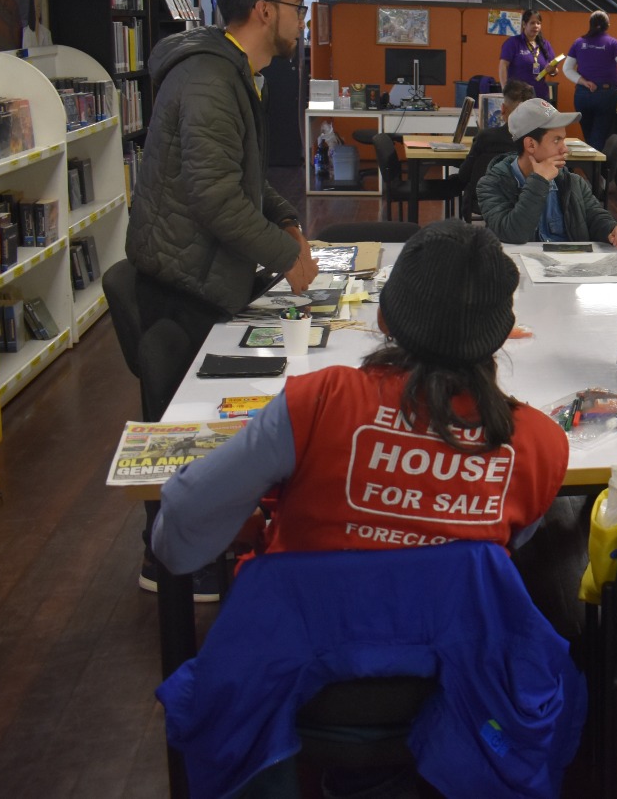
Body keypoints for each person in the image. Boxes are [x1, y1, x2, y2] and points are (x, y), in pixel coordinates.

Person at [151, 221, 572, 796]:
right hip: (452, 683)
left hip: (298, 671)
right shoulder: (540, 444)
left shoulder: (320, 401)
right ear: (502, 335)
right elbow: (497, 573)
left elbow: (180, 535)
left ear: (382, 319)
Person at [126, 0, 317, 354]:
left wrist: (285, 219)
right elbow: (217, 198)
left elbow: (237, 174)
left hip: (204, 276)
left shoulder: (232, 72)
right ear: (264, 11)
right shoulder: (210, 82)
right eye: (297, 7)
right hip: (188, 293)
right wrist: (287, 256)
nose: (303, 20)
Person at [474, 97, 617, 247]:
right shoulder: (492, 185)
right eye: (556, 140)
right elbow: (514, 234)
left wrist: (614, 229)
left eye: (563, 139)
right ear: (530, 145)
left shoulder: (573, 182)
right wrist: (539, 181)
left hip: (570, 270)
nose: (565, 149)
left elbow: (597, 218)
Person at [456, 78, 535, 219]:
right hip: (525, 202)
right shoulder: (537, 142)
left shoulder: (485, 137)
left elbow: (464, 175)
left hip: (482, 201)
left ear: (503, 109)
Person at [562, 9, 617, 150]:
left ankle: (590, 169)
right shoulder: (613, 43)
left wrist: (584, 82)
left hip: (582, 94)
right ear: (607, 25)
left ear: (590, 24)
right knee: (599, 137)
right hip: (606, 95)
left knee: (589, 137)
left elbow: (567, 69)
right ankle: (597, 171)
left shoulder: (578, 42)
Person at [496, 7, 556, 100]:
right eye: (532, 23)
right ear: (524, 24)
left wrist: (553, 71)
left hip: (540, 95)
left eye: (538, 23)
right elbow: (503, 66)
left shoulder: (545, 44)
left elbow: (554, 70)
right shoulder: (513, 42)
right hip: (517, 96)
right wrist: (505, 90)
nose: (536, 26)